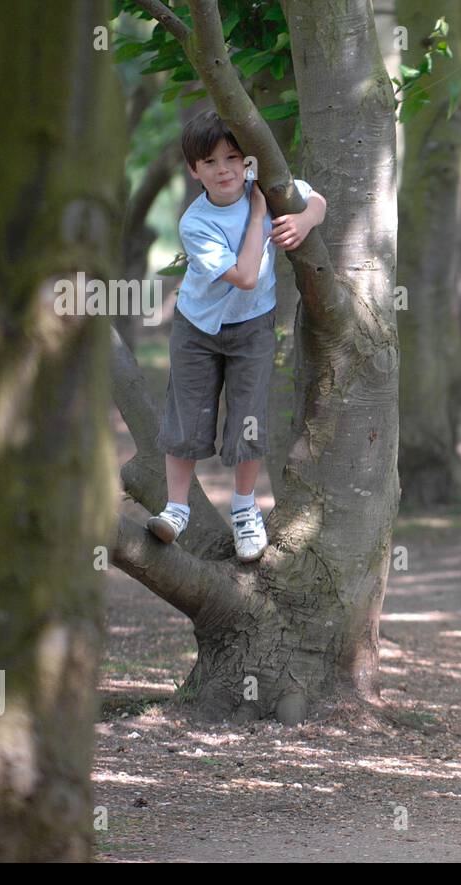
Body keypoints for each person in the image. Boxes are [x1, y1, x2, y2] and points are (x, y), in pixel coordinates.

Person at [146, 111, 326, 561]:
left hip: (252, 326)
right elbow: (245, 275)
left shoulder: (266, 185)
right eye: (210, 162)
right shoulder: (197, 222)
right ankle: (176, 508)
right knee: (186, 412)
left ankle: (245, 509)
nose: (224, 169)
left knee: (248, 415)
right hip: (197, 328)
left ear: (247, 160)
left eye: (233, 157)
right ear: (194, 170)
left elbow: (316, 199)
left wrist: (304, 222)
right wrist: (262, 211)